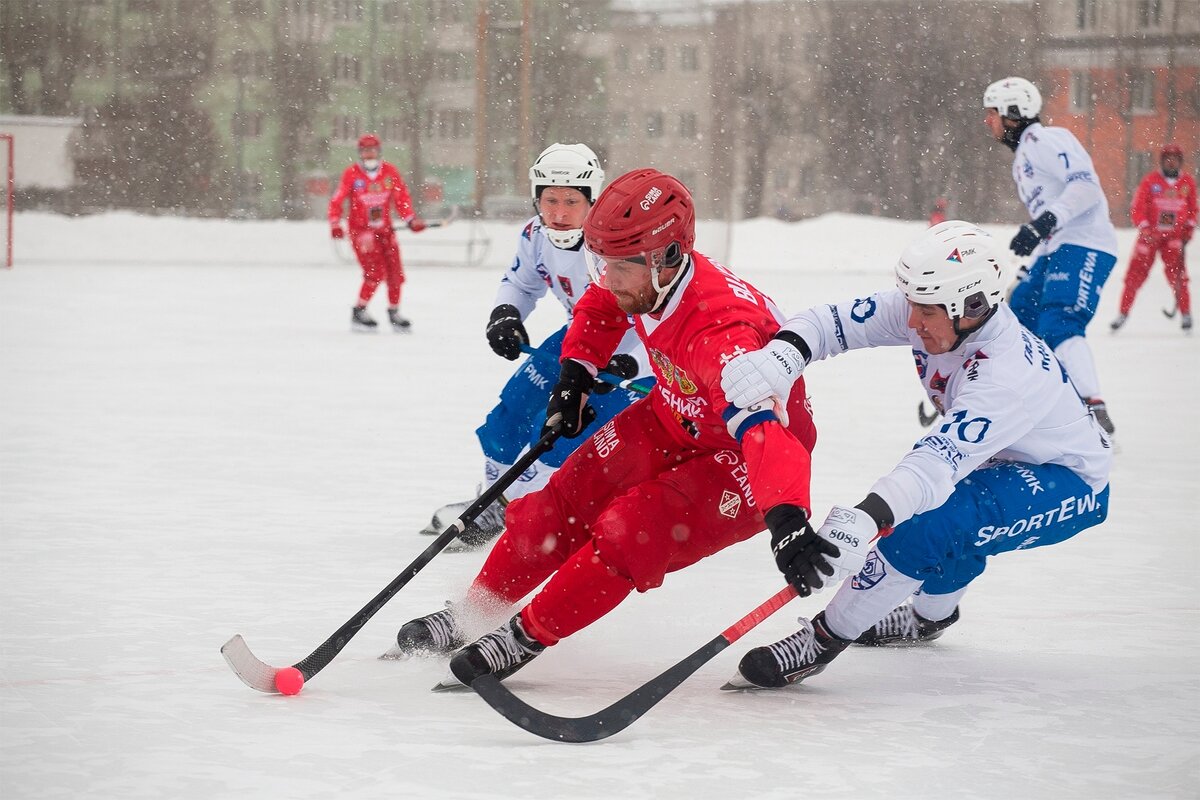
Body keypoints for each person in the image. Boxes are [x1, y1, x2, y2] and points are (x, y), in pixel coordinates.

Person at [394, 168, 822, 689]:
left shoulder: (722, 334)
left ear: (669, 257)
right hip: (675, 411)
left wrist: (787, 518)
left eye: (621, 265)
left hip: (744, 460)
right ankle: (475, 612)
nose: (608, 277)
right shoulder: (642, 282)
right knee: (566, 496)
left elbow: (764, 433)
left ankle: (525, 635)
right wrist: (576, 374)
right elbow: (601, 304)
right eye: (600, 262)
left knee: (629, 530)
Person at [715, 221, 1112, 690]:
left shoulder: (1009, 376)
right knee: (952, 524)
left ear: (974, 307)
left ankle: (823, 640)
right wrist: (783, 357)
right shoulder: (935, 308)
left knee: (926, 528)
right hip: (1001, 454)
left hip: (1067, 480)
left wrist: (866, 519)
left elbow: (933, 466)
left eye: (924, 312)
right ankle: (929, 619)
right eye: (912, 306)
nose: (910, 323)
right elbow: (830, 323)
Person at [417, 143, 651, 550]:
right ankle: (492, 501)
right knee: (511, 412)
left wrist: (630, 362)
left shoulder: (619, 246)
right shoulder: (535, 234)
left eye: (571, 201)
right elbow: (523, 282)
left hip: (632, 354)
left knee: (561, 433)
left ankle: (523, 505)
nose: (559, 212)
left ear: (592, 201)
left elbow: (658, 316)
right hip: (578, 337)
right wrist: (506, 314)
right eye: (550, 200)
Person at [982, 77, 1119, 436]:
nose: (988, 121)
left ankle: (1093, 410)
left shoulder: (1046, 139)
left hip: (1086, 243)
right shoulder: (1021, 160)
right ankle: (1026, 405)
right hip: (1056, 247)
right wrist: (1030, 264)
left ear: (1013, 113)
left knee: (1059, 321)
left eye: (992, 113)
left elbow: (1086, 187)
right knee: (1018, 320)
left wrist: (1042, 224)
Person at [328, 133, 427, 332]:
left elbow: (401, 198)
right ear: (360, 153)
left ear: (379, 151)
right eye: (365, 151)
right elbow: (337, 201)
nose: (369, 154)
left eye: (373, 150)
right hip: (362, 233)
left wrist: (410, 219)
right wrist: (335, 223)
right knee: (374, 272)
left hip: (386, 231)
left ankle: (394, 311)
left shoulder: (390, 172)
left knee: (395, 272)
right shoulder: (352, 174)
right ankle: (359, 310)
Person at [1111, 143, 1196, 332]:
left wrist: (1189, 228)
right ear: (1162, 161)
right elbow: (1138, 208)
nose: (1171, 162)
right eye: (1167, 158)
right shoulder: (1150, 182)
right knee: (1134, 276)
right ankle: (1122, 313)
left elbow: (1192, 209)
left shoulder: (1187, 183)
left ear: (1180, 162)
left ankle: (1186, 314)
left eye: (1175, 159)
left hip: (1174, 238)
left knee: (1178, 276)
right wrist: (1145, 227)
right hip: (1150, 237)